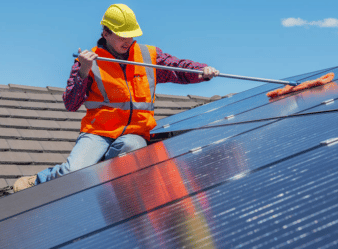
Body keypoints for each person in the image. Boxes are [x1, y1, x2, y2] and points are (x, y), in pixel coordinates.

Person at [13, 3, 219, 192]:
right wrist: (83, 72)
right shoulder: (89, 60)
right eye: (122, 36)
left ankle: (100, 167)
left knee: (133, 151)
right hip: (99, 132)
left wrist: (201, 71)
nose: (127, 41)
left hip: (134, 133)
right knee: (73, 173)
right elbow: (70, 103)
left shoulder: (149, 56)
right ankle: (38, 180)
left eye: (130, 36)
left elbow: (177, 68)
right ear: (105, 33)